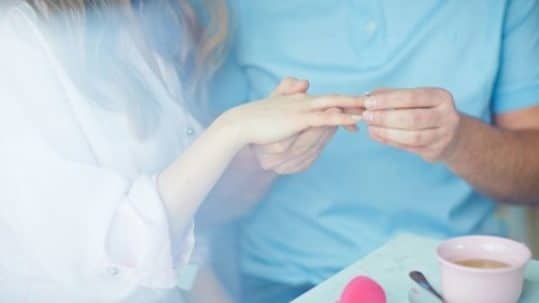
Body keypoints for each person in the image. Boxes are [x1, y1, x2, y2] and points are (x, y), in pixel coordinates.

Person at [0, 1, 364, 302]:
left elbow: (184, 239)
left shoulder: (136, 23)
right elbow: (112, 250)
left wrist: (259, 149)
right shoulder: (14, 41)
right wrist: (232, 130)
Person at [207, 1, 539, 302]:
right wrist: (264, 157)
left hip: (459, 275)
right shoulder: (226, 9)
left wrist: (460, 140)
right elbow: (195, 209)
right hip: (288, 280)